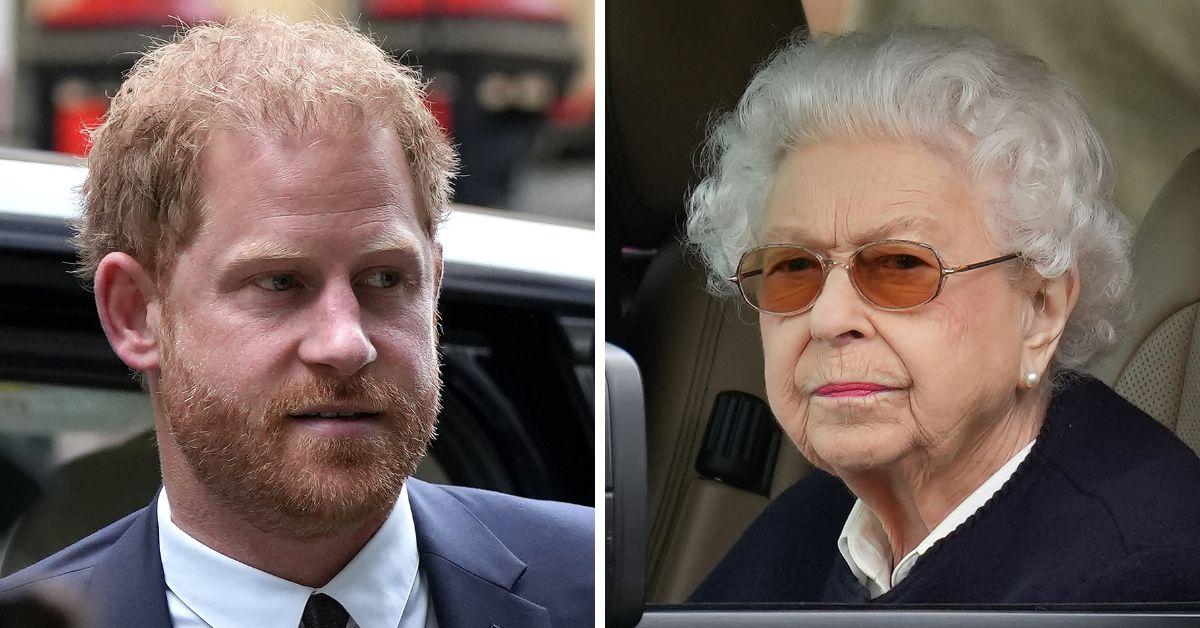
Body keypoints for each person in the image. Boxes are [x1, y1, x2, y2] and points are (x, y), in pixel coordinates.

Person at [0, 14, 593, 627]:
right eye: (280, 283)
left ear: (433, 285)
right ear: (134, 313)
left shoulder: (593, 584)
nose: (346, 342)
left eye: (386, 280)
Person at [685, 27, 1200, 604]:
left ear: (1041, 309)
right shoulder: (817, 522)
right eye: (793, 269)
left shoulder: (1140, 582)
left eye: (901, 265)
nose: (829, 318)